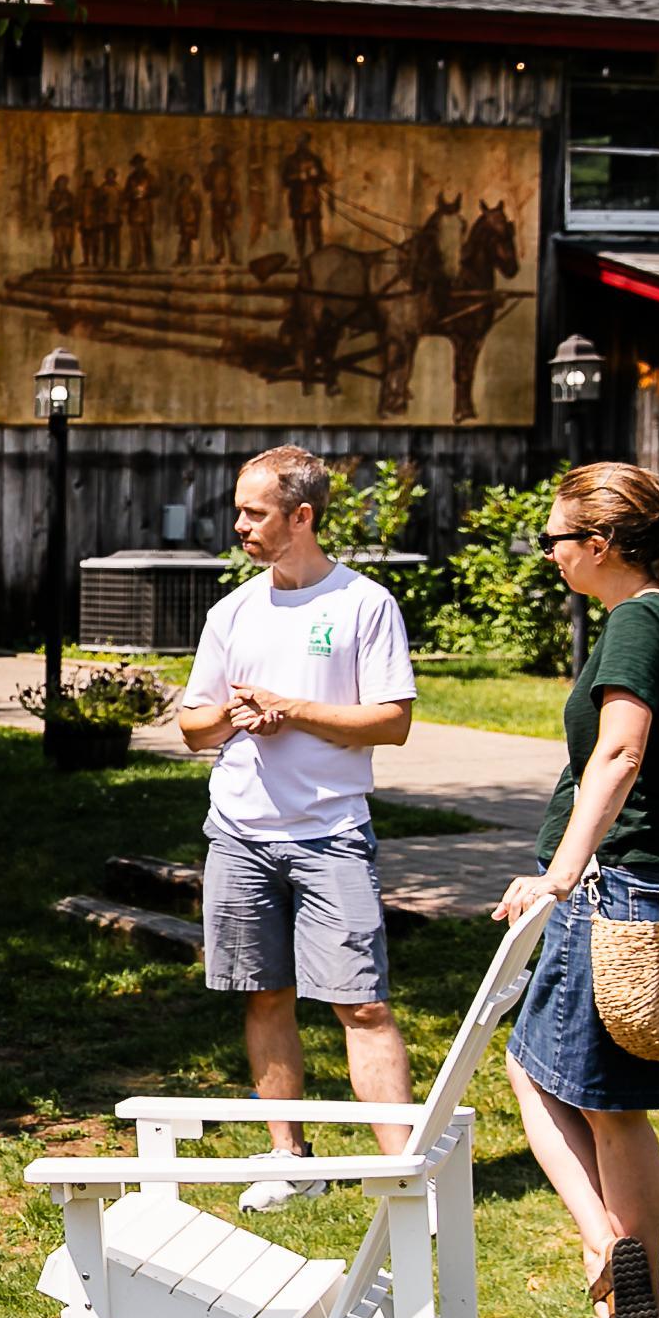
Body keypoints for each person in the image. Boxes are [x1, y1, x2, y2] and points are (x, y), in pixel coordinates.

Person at [487, 461, 659, 1318]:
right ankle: (637, 1310)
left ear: (597, 544)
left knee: (548, 1079)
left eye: (554, 539)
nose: (548, 554)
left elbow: (620, 755)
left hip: (612, 886)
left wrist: (559, 875)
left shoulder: (636, 621)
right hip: (644, 881)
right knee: (608, 1102)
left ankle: (610, 1265)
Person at [173, 446, 418, 1213]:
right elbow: (192, 726)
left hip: (331, 834)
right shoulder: (232, 612)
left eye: (255, 513)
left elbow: (393, 721)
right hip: (239, 835)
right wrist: (234, 714)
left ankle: (405, 1175)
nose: (240, 526)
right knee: (265, 996)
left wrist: (295, 710)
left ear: (302, 516)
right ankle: (289, 1157)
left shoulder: (363, 605)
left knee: (363, 1004)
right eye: (239, 512)